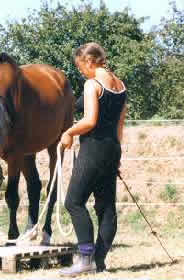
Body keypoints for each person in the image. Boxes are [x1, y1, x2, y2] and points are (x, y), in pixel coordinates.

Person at [60, 42, 127, 277]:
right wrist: (116, 155)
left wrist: (68, 132)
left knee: (74, 202)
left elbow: (89, 121)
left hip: (93, 150)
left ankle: (86, 259)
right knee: (106, 208)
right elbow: (120, 126)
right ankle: (99, 261)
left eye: (80, 67)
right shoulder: (120, 86)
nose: (81, 72)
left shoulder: (92, 84)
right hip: (112, 150)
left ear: (89, 61)